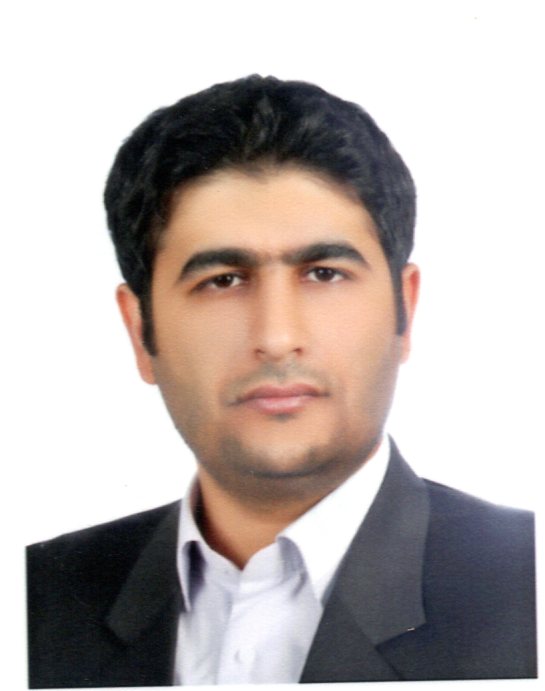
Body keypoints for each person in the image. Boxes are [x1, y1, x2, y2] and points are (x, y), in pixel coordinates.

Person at [27, 75, 536, 687]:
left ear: (405, 311)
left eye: (323, 274)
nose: (275, 336)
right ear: (140, 331)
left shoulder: (526, 587)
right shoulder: (34, 601)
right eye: (222, 280)